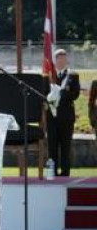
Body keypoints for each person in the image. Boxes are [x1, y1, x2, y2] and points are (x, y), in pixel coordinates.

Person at [45, 47, 81, 176]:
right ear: (55, 61)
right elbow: (44, 94)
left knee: (66, 147)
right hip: (52, 117)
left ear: (66, 60)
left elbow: (75, 94)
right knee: (52, 147)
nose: (61, 61)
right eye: (58, 58)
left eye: (63, 58)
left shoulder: (73, 76)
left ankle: (65, 174)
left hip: (66, 117)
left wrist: (61, 94)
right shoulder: (49, 76)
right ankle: (52, 173)